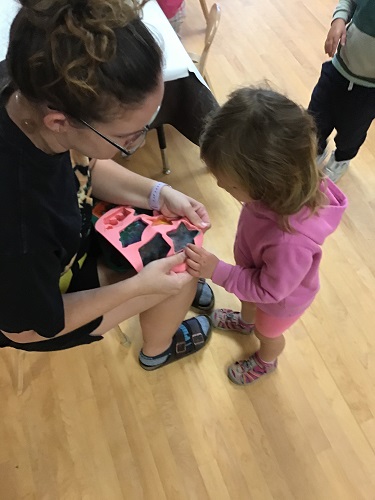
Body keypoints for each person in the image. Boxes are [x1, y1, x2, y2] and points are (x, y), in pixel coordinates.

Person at [0, 0, 214, 371]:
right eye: (128, 137)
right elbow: (28, 330)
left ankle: (166, 297)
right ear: (58, 122)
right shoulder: (21, 226)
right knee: (182, 276)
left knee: (176, 251)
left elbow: (83, 162)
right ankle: (158, 349)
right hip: (50, 308)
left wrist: (158, 193)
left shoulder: (26, 80)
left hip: (64, 247)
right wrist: (136, 288)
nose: (139, 145)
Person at [185, 87, 347, 385]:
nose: (221, 186)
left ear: (267, 183)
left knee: (267, 332)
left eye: (230, 185)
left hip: (279, 300)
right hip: (257, 276)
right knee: (249, 305)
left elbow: (269, 292)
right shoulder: (275, 194)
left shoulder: (291, 242)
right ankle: (245, 322)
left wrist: (217, 270)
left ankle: (266, 359)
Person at [308, 0, 375, 182]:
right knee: (315, 118)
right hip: (339, 68)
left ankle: (341, 160)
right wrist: (339, 19)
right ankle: (313, 150)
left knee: (352, 134)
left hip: (369, 91)